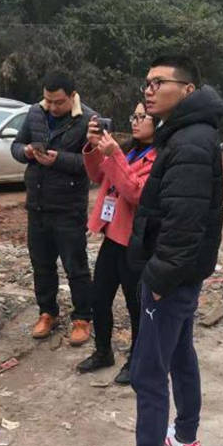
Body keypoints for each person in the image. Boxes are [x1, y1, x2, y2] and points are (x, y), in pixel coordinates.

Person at [93, 55, 223, 446]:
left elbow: (184, 224)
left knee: (149, 370)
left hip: (171, 276)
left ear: (187, 90)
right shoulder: (187, 134)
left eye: (158, 83)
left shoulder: (189, 144)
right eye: (146, 83)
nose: (148, 91)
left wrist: (159, 280)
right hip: (182, 274)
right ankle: (185, 438)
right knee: (181, 354)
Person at [11, 71, 96, 346]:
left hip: (68, 208)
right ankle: (47, 313)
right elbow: (15, 145)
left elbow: (93, 165)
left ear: (72, 97)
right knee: (41, 265)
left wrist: (59, 160)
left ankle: (83, 318)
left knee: (75, 267)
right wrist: (25, 152)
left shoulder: (88, 121)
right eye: (48, 100)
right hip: (37, 205)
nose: (52, 107)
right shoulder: (35, 113)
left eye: (58, 102)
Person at [76, 102, 157, 384]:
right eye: (134, 116)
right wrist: (94, 147)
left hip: (135, 242)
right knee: (99, 298)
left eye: (143, 117)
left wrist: (115, 155)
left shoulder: (158, 158)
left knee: (136, 305)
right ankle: (103, 351)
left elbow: (136, 193)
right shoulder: (129, 149)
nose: (135, 121)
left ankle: (137, 359)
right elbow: (98, 176)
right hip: (112, 237)